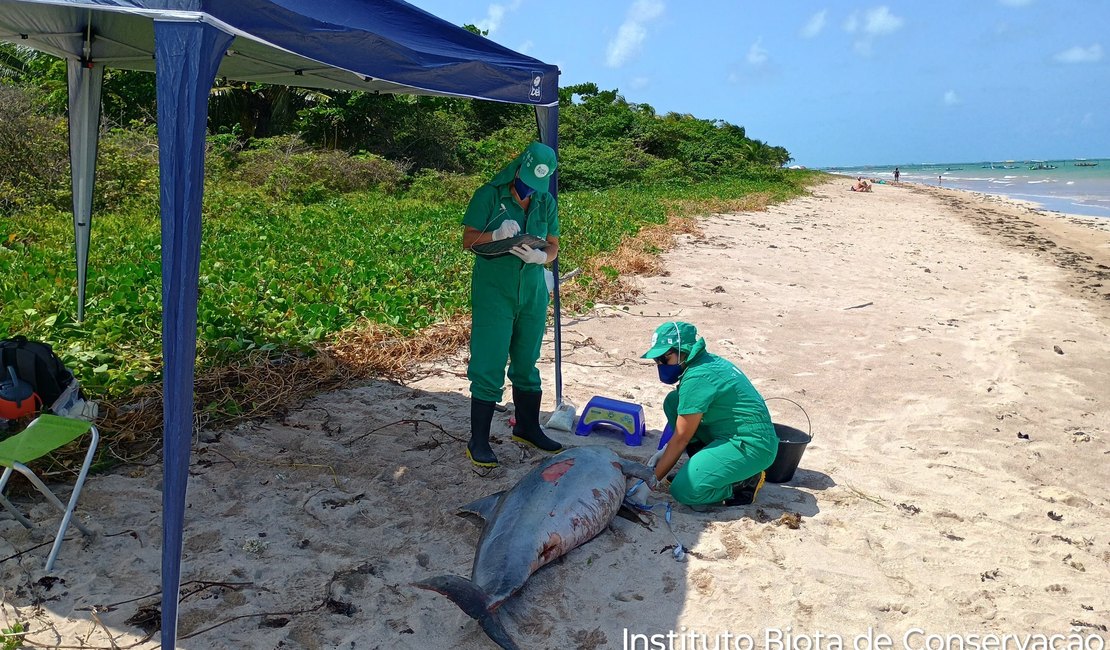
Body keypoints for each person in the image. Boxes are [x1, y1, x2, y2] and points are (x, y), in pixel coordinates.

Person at [461, 141, 563, 468]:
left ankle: (528, 428)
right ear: (520, 166)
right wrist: (494, 235)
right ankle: (478, 440)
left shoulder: (545, 202)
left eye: (537, 185)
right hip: (495, 289)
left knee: (526, 359)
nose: (530, 190)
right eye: (527, 181)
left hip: (532, 288)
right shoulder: (490, 194)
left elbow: (554, 247)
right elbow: (468, 240)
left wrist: (541, 256)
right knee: (489, 360)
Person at [643, 322, 778, 508]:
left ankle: (743, 484)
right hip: (731, 432)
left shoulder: (698, 377)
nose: (660, 365)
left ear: (684, 350)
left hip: (752, 445)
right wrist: (666, 449)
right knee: (674, 401)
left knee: (684, 491)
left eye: (664, 358)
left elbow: (681, 438)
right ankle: (707, 469)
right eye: (656, 360)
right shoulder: (705, 362)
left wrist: (650, 482)